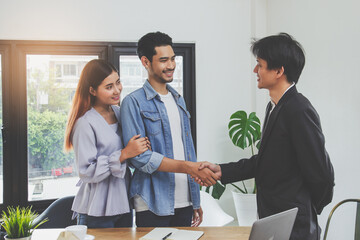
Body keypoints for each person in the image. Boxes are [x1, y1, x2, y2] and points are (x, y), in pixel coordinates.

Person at [198, 33, 335, 240]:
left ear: (279, 71)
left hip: (295, 226)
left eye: (260, 65)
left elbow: (322, 174)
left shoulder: (298, 109)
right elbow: (266, 161)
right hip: (276, 221)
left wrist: (305, 208)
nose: (255, 70)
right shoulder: (274, 107)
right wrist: (222, 171)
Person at [120, 31, 218, 227]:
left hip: (185, 200)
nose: (171, 65)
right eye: (164, 60)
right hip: (152, 202)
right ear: (146, 62)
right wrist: (186, 167)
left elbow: (187, 150)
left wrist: (194, 200)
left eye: (173, 59)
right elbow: (139, 158)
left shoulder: (178, 100)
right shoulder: (133, 103)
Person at [64, 59, 150, 228]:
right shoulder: (84, 123)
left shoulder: (120, 113)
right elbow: (86, 172)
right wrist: (124, 154)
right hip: (97, 210)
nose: (117, 90)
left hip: (124, 205)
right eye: (109, 87)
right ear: (92, 90)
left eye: (118, 82)